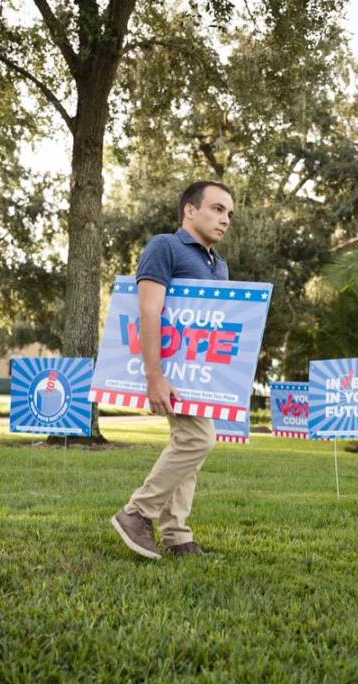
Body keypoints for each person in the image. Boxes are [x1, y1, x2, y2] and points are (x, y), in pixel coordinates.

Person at [110, 180, 234, 559]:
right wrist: (154, 375)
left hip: (201, 374)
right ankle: (136, 512)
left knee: (189, 448)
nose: (225, 219)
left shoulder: (220, 265)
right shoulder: (165, 246)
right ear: (190, 210)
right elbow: (149, 311)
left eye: (229, 213)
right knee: (197, 441)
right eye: (216, 209)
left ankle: (176, 535)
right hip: (169, 369)